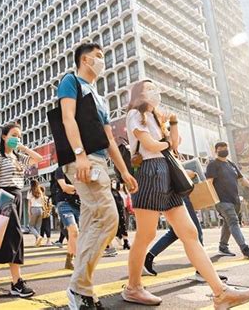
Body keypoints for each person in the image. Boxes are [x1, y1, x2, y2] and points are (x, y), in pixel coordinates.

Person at [123, 80, 249, 308]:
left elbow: (173, 145)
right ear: (139, 94)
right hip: (149, 172)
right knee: (145, 235)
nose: (155, 91)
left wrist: (172, 122)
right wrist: (165, 140)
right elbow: (151, 145)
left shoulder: (156, 118)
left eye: (156, 87)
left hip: (166, 173)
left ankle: (220, 292)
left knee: (189, 232)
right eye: (149, 88)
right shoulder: (136, 114)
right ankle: (133, 287)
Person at [58, 42, 139, 309]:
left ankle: (83, 289)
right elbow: (68, 118)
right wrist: (79, 154)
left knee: (92, 225)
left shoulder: (99, 97)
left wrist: (124, 171)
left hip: (99, 162)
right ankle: (78, 287)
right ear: (84, 60)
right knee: (108, 218)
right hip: (85, 160)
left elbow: (108, 139)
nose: (102, 61)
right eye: (98, 57)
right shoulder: (71, 82)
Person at [0, 122, 43, 298]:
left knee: (2, 238)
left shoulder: (19, 157)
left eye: (19, 136)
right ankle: (16, 283)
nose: (16, 138)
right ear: (4, 137)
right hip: (4, 197)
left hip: (17, 195)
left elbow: (38, 159)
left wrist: (23, 147)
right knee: (15, 235)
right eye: (13, 135)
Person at [143, 171, 228, 282]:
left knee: (175, 233)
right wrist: (190, 173)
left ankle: (148, 258)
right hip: (176, 195)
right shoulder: (163, 155)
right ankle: (202, 271)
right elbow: (173, 173)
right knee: (195, 232)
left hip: (174, 194)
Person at [206, 141, 249, 258]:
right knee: (233, 222)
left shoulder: (231, 164)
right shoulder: (213, 164)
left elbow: (242, 179)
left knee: (228, 223)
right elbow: (209, 183)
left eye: (225, 147)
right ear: (216, 151)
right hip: (222, 200)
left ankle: (223, 247)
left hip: (235, 200)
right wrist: (210, 200)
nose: (224, 149)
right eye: (221, 148)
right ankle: (245, 249)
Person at [53, 166, 81, 270]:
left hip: (79, 205)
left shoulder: (80, 169)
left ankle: (69, 261)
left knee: (74, 235)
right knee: (74, 232)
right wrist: (79, 188)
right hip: (64, 204)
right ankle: (79, 261)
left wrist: (74, 189)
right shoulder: (60, 170)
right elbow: (64, 187)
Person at [111, 179, 130, 250]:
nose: (114, 184)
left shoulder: (119, 192)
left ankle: (125, 241)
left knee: (124, 226)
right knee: (116, 227)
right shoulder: (112, 192)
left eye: (115, 182)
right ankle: (111, 243)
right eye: (113, 182)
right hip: (115, 211)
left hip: (123, 210)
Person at [27, 179, 45, 246]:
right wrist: (43, 210)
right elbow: (43, 201)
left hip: (33, 209)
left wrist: (29, 212)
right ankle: (38, 243)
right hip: (40, 209)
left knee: (31, 226)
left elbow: (29, 203)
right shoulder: (40, 191)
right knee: (38, 227)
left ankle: (38, 236)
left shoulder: (30, 191)